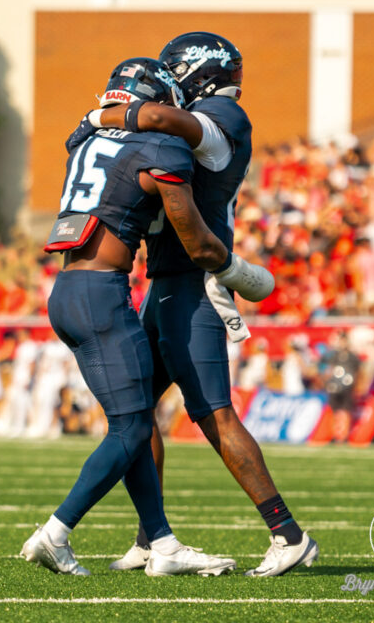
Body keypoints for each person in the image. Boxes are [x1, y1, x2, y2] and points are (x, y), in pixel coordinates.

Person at [21, 57, 267, 578]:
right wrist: (235, 270)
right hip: (104, 295)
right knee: (132, 427)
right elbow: (196, 239)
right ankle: (55, 532)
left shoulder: (84, 140)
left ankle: (161, 541)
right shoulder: (159, 146)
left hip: (65, 291)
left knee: (130, 422)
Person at [93, 32, 318, 579]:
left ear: (197, 72)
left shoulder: (222, 115)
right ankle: (152, 537)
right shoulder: (195, 122)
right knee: (133, 412)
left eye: (172, 74)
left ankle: (288, 535)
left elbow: (164, 120)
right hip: (167, 282)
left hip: (195, 285)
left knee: (213, 413)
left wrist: (104, 116)